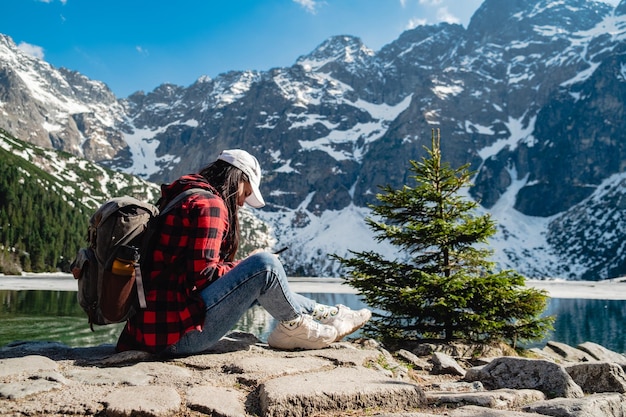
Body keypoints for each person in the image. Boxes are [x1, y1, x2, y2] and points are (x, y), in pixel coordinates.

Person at [116, 149, 371, 356]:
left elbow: (195, 272)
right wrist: (248, 266)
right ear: (237, 178)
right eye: (246, 193)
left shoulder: (184, 194)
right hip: (175, 335)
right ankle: (296, 327)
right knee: (265, 264)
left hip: (149, 330)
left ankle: (326, 314)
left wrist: (242, 271)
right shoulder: (210, 205)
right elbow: (204, 275)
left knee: (260, 275)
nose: (241, 202)